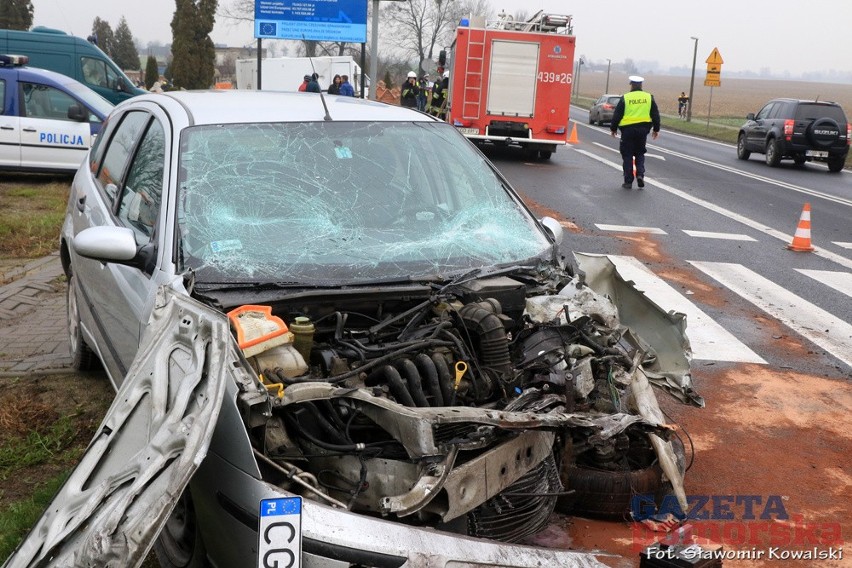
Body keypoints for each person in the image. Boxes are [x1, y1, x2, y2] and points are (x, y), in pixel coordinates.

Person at [610, 75, 660, 190]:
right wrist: (656, 129)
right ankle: (640, 175)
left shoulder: (626, 98)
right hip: (643, 131)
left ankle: (628, 181)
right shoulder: (649, 97)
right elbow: (655, 115)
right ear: (641, 85)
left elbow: (617, 115)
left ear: (631, 85)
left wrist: (613, 128)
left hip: (627, 131)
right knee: (640, 153)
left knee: (627, 155)